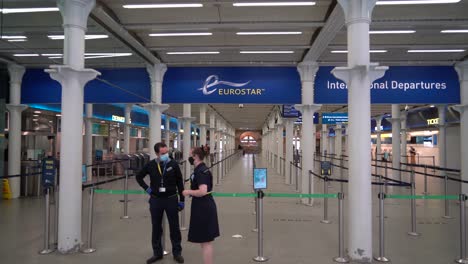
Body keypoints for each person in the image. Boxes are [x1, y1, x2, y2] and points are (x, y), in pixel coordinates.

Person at [136, 142, 185, 264]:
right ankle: (157, 253)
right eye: (163, 153)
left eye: (166, 152)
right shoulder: (151, 165)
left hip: (171, 199)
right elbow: (139, 177)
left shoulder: (173, 164)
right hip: (156, 200)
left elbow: (180, 182)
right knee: (156, 227)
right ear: (157, 153)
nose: (165, 155)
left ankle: (177, 253)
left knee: (174, 227)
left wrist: (182, 200)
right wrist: (147, 189)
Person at [182, 147, 220, 264]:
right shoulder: (200, 169)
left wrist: (188, 192)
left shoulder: (201, 171)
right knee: (204, 241)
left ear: (196, 156)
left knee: (206, 241)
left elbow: (203, 191)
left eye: (190, 155)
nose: (188, 157)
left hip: (203, 207)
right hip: (201, 205)